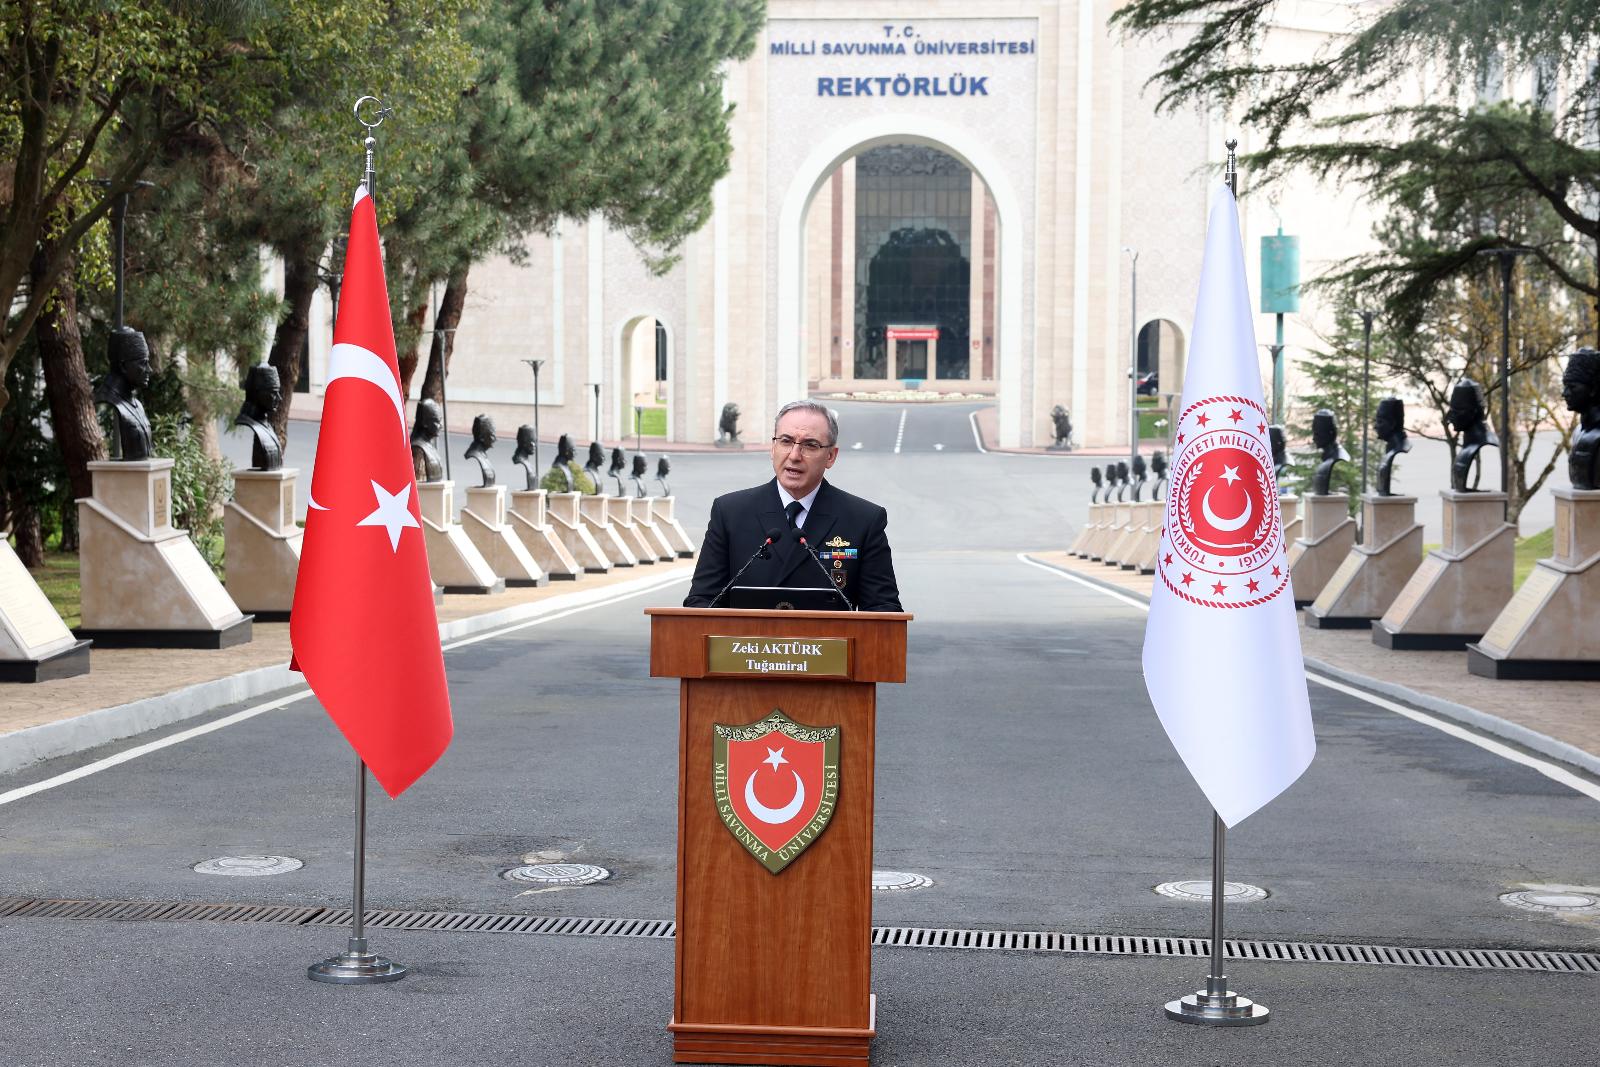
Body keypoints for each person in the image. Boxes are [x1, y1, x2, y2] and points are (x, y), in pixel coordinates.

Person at [684, 399, 902, 610]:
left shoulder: (864, 520)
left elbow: (883, 610)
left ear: (831, 456)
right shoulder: (730, 513)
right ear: (773, 448)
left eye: (810, 445)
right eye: (786, 441)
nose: (795, 455)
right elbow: (702, 601)